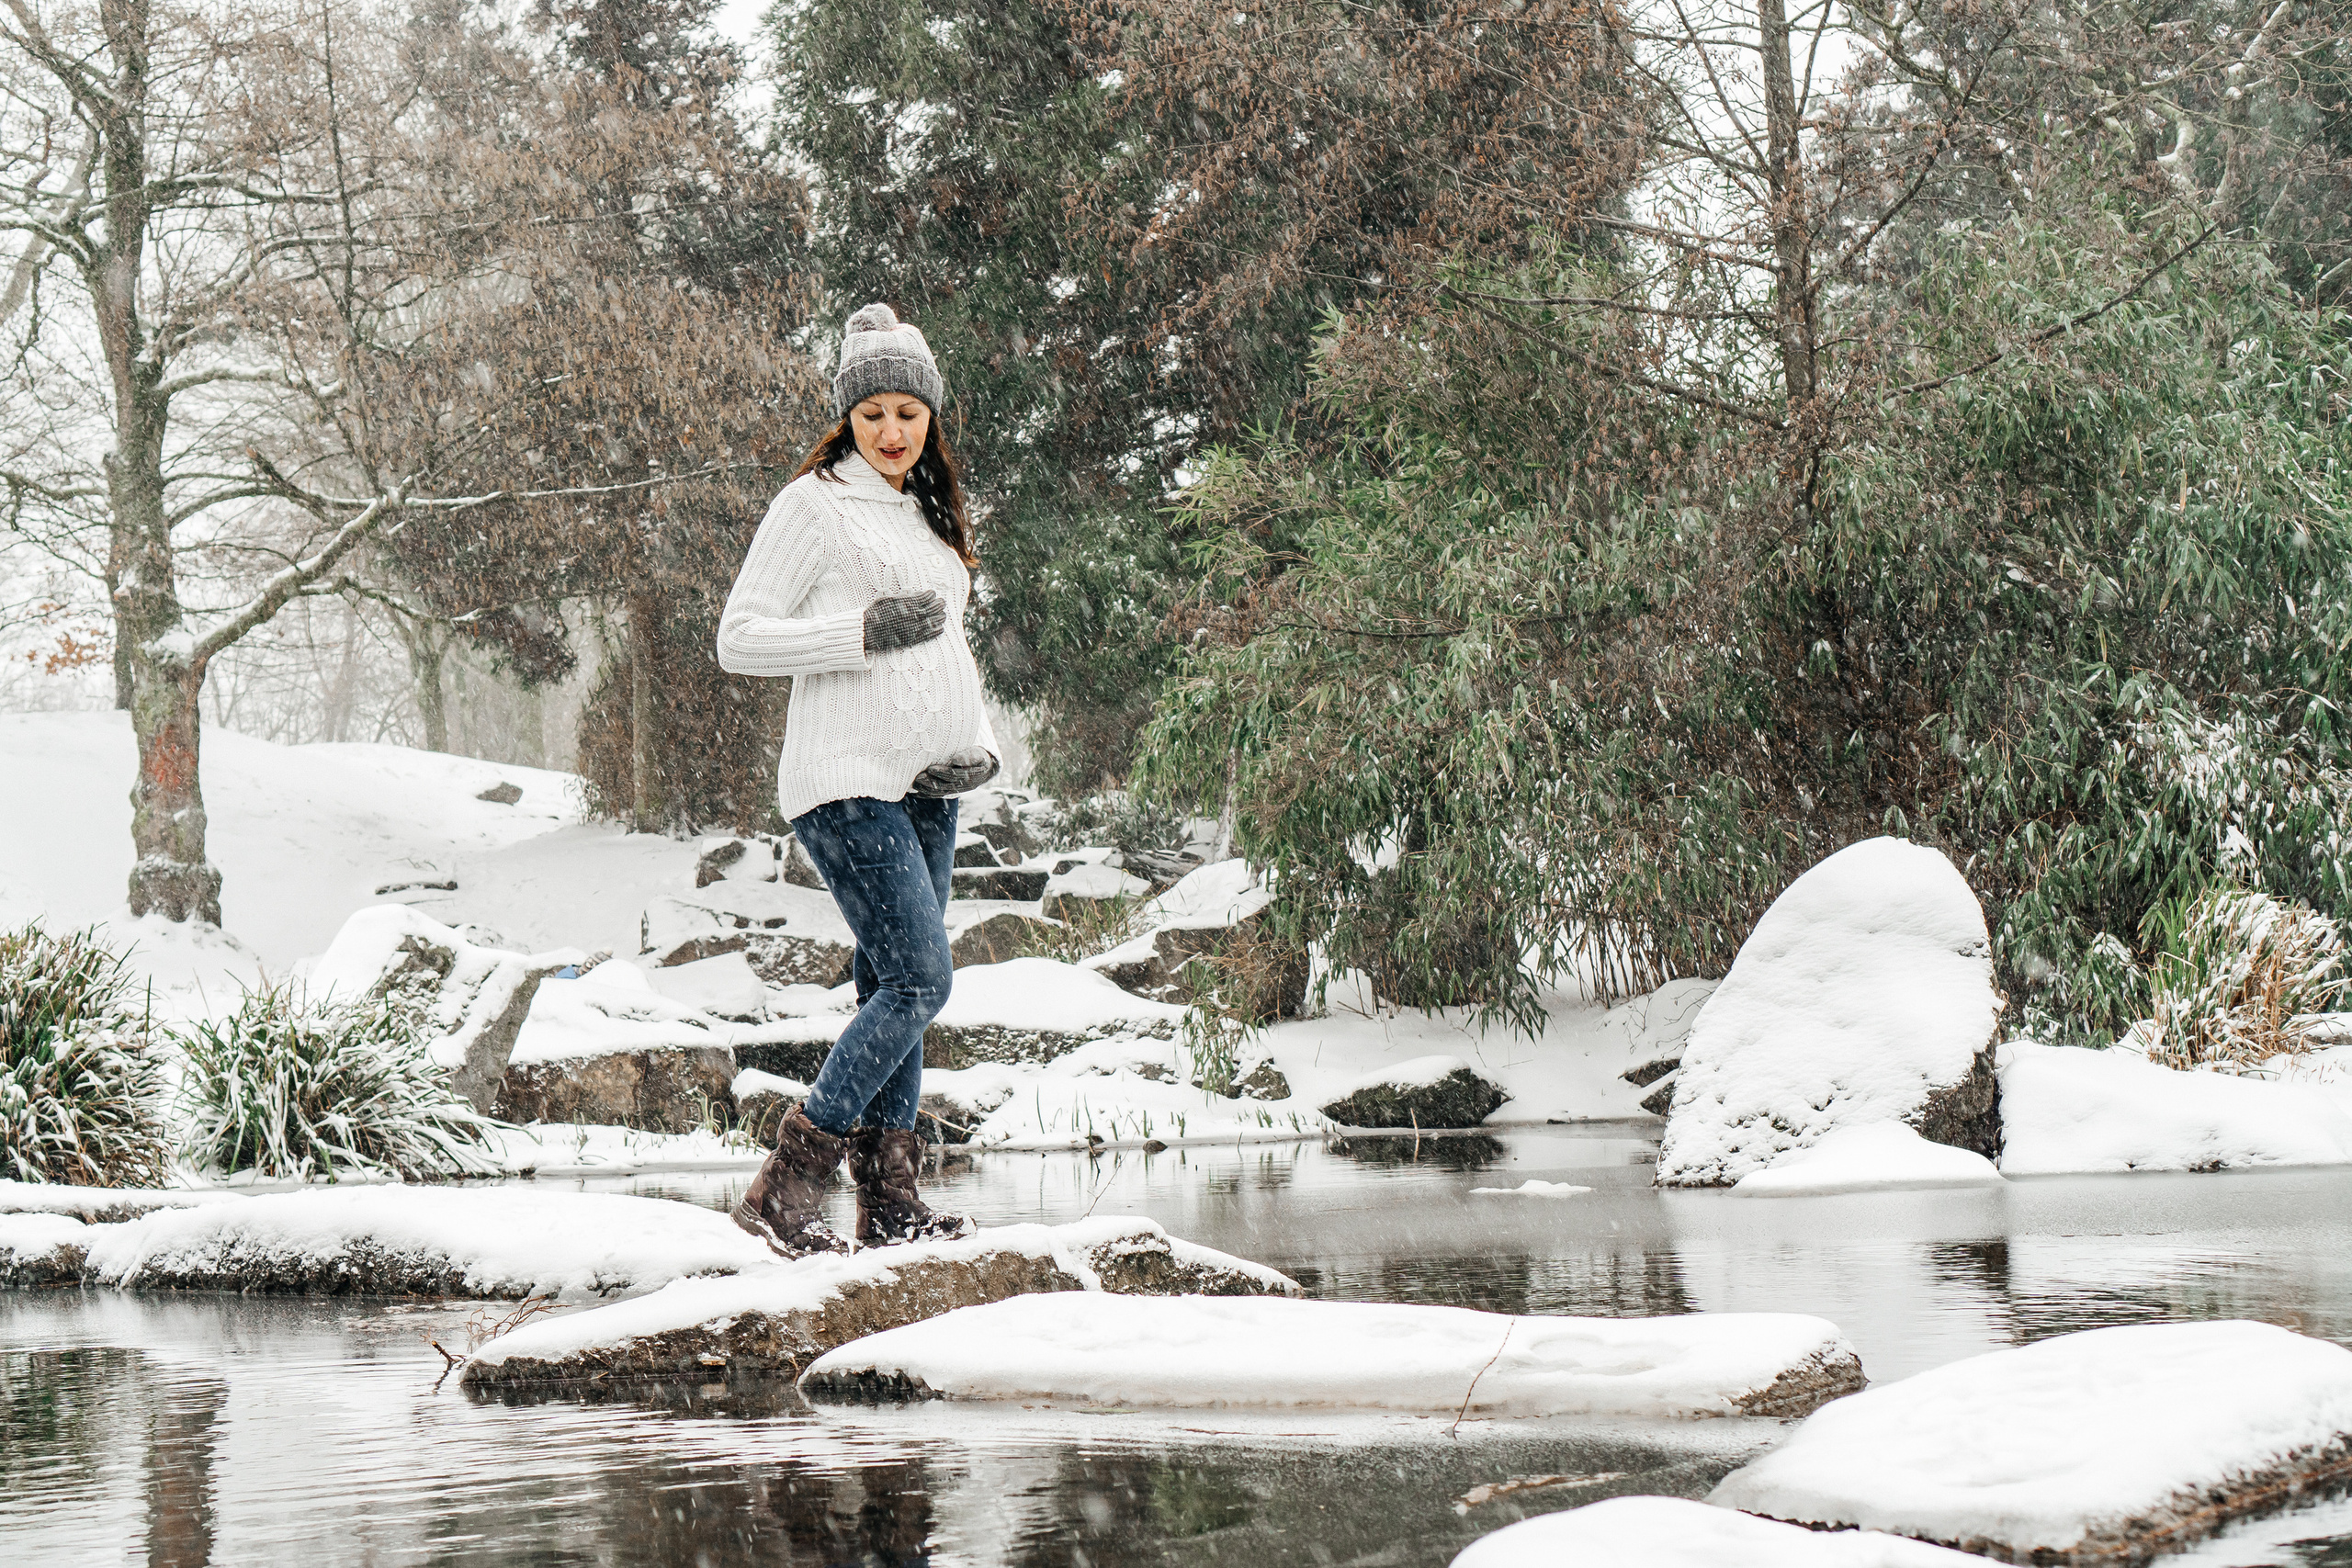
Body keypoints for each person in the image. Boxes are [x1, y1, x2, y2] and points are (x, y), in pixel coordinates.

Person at [715, 301, 1000, 1257]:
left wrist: (976, 741)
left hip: (928, 787)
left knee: (891, 981)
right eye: (872, 414)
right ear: (848, 417)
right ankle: (786, 1186)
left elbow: (949, 649)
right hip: (845, 779)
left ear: (930, 417)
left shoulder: (926, 510)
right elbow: (739, 638)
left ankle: (891, 1203)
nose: (891, 432)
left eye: (908, 414)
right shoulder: (814, 504)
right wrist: (860, 632)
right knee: (920, 979)